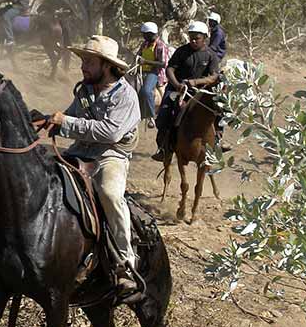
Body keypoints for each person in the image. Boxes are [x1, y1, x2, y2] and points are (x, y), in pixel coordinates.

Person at [41, 35, 142, 297]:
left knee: (109, 193)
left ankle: (125, 264)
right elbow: (70, 117)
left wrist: (66, 122)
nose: (83, 66)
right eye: (83, 60)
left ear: (106, 66)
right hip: (79, 151)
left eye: (89, 61)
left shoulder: (126, 96)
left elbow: (110, 133)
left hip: (110, 156)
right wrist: (46, 121)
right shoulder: (85, 91)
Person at [151, 21, 221, 162]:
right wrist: (177, 85)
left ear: (205, 38)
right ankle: (163, 147)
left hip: (200, 92)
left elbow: (214, 77)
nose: (194, 40)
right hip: (177, 89)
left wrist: (195, 82)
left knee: (220, 110)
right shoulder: (182, 51)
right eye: (191, 37)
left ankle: (218, 142)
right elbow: (170, 69)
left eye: (197, 38)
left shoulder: (211, 55)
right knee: (164, 114)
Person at [137, 22, 169, 126]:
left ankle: (150, 116)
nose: (143, 36)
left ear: (151, 34)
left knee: (146, 91)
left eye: (145, 34)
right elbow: (139, 54)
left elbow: (163, 63)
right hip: (142, 70)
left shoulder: (160, 46)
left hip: (155, 72)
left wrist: (145, 62)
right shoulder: (144, 44)